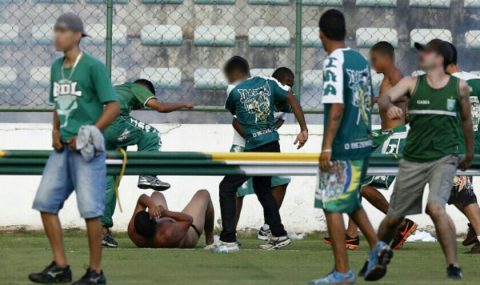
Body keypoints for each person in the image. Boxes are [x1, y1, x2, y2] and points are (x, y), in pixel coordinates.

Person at [29, 13, 120, 285]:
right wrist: (55, 130)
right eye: (56, 30)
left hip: (87, 152)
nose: (57, 35)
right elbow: (58, 104)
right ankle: (60, 266)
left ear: (77, 35)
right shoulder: (57, 68)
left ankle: (95, 272)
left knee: (91, 211)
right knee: (45, 203)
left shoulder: (92, 66)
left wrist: (92, 131)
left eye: (63, 31)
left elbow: (113, 106)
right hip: (62, 150)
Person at [377, 39, 473, 280]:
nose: (421, 56)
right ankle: (377, 253)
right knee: (394, 217)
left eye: (427, 52)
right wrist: (390, 107)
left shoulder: (459, 87)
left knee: (435, 207)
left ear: (440, 59)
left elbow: (466, 121)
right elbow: (386, 98)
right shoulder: (412, 83)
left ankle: (452, 264)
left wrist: (468, 152)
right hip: (414, 158)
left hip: (444, 157)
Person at [309, 10, 391, 285]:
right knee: (351, 199)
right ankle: (378, 245)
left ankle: (342, 272)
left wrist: (327, 147)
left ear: (321, 34)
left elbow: (337, 106)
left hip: (342, 144)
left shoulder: (333, 62)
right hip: (363, 140)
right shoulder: (358, 60)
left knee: (331, 205)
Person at [323, 41, 417, 250]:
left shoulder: (395, 75)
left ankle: (401, 222)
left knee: (361, 184)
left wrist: (388, 104)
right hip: (382, 135)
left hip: (394, 137)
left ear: (385, 58)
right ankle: (351, 234)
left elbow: (410, 94)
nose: (371, 63)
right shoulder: (388, 78)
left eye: (374, 59)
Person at [210, 56, 308, 253]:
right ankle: (278, 233)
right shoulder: (268, 82)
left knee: (227, 187)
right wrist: (303, 129)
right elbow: (291, 98)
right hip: (272, 144)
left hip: (254, 148)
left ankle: (228, 239)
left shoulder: (233, 91)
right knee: (263, 188)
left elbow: (234, 113)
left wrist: (253, 136)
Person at [100, 79, 194, 248]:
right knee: (151, 134)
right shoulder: (137, 87)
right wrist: (184, 104)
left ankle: (102, 231)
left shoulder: (115, 91)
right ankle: (147, 174)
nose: (142, 107)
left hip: (98, 127)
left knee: (110, 183)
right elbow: (160, 108)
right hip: (114, 121)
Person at [233, 67, 294, 240]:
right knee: (237, 189)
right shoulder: (256, 95)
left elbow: (279, 121)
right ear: (275, 83)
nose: (289, 88)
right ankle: (231, 232)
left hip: (266, 148)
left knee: (281, 180)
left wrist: (268, 134)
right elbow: (235, 122)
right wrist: (254, 138)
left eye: (292, 85)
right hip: (243, 147)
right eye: (286, 84)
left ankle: (268, 227)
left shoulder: (283, 102)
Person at [445, 42, 480, 254]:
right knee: (455, 193)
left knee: (461, 193)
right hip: (476, 145)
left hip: (458, 147)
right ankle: (474, 228)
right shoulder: (476, 80)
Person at [128, 190, 214, 248]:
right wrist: (166, 213)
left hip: (167, 222)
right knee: (204, 194)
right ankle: (210, 241)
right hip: (188, 230)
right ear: (154, 221)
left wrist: (152, 206)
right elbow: (188, 220)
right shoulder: (168, 234)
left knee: (156, 194)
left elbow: (142, 198)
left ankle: (157, 209)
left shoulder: (133, 232)